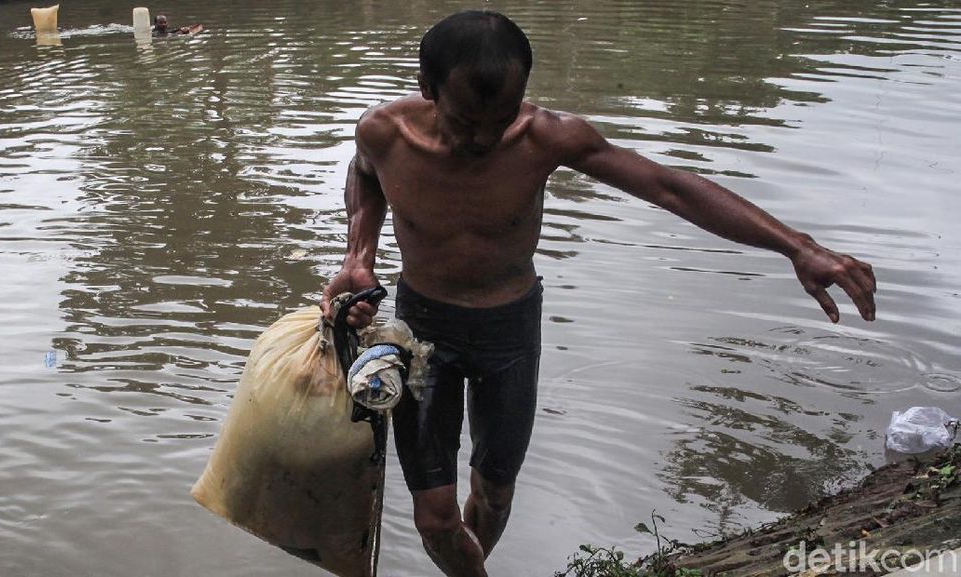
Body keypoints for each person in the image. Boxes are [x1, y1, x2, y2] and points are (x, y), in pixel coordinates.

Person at [319, 10, 876, 577]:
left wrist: (796, 246)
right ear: (427, 91)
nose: (484, 138)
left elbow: (668, 187)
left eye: (502, 116)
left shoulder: (548, 137)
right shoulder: (384, 131)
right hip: (422, 332)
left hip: (508, 330)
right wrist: (358, 255)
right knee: (435, 519)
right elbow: (365, 173)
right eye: (465, 121)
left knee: (494, 496)